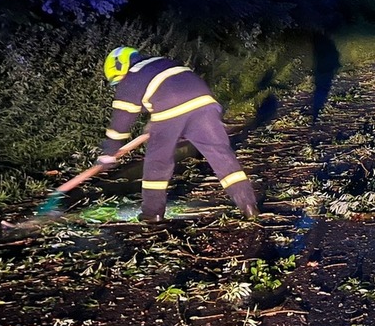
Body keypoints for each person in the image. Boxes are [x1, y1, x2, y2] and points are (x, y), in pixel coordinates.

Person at [99, 46, 260, 223]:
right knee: (222, 156)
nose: (119, 84)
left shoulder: (131, 78)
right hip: (205, 104)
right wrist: (155, 122)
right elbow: (172, 90)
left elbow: (120, 122)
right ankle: (249, 207)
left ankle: (152, 215)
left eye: (117, 80)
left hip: (170, 111)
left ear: (119, 67)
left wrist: (109, 153)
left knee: (157, 163)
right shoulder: (162, 62)